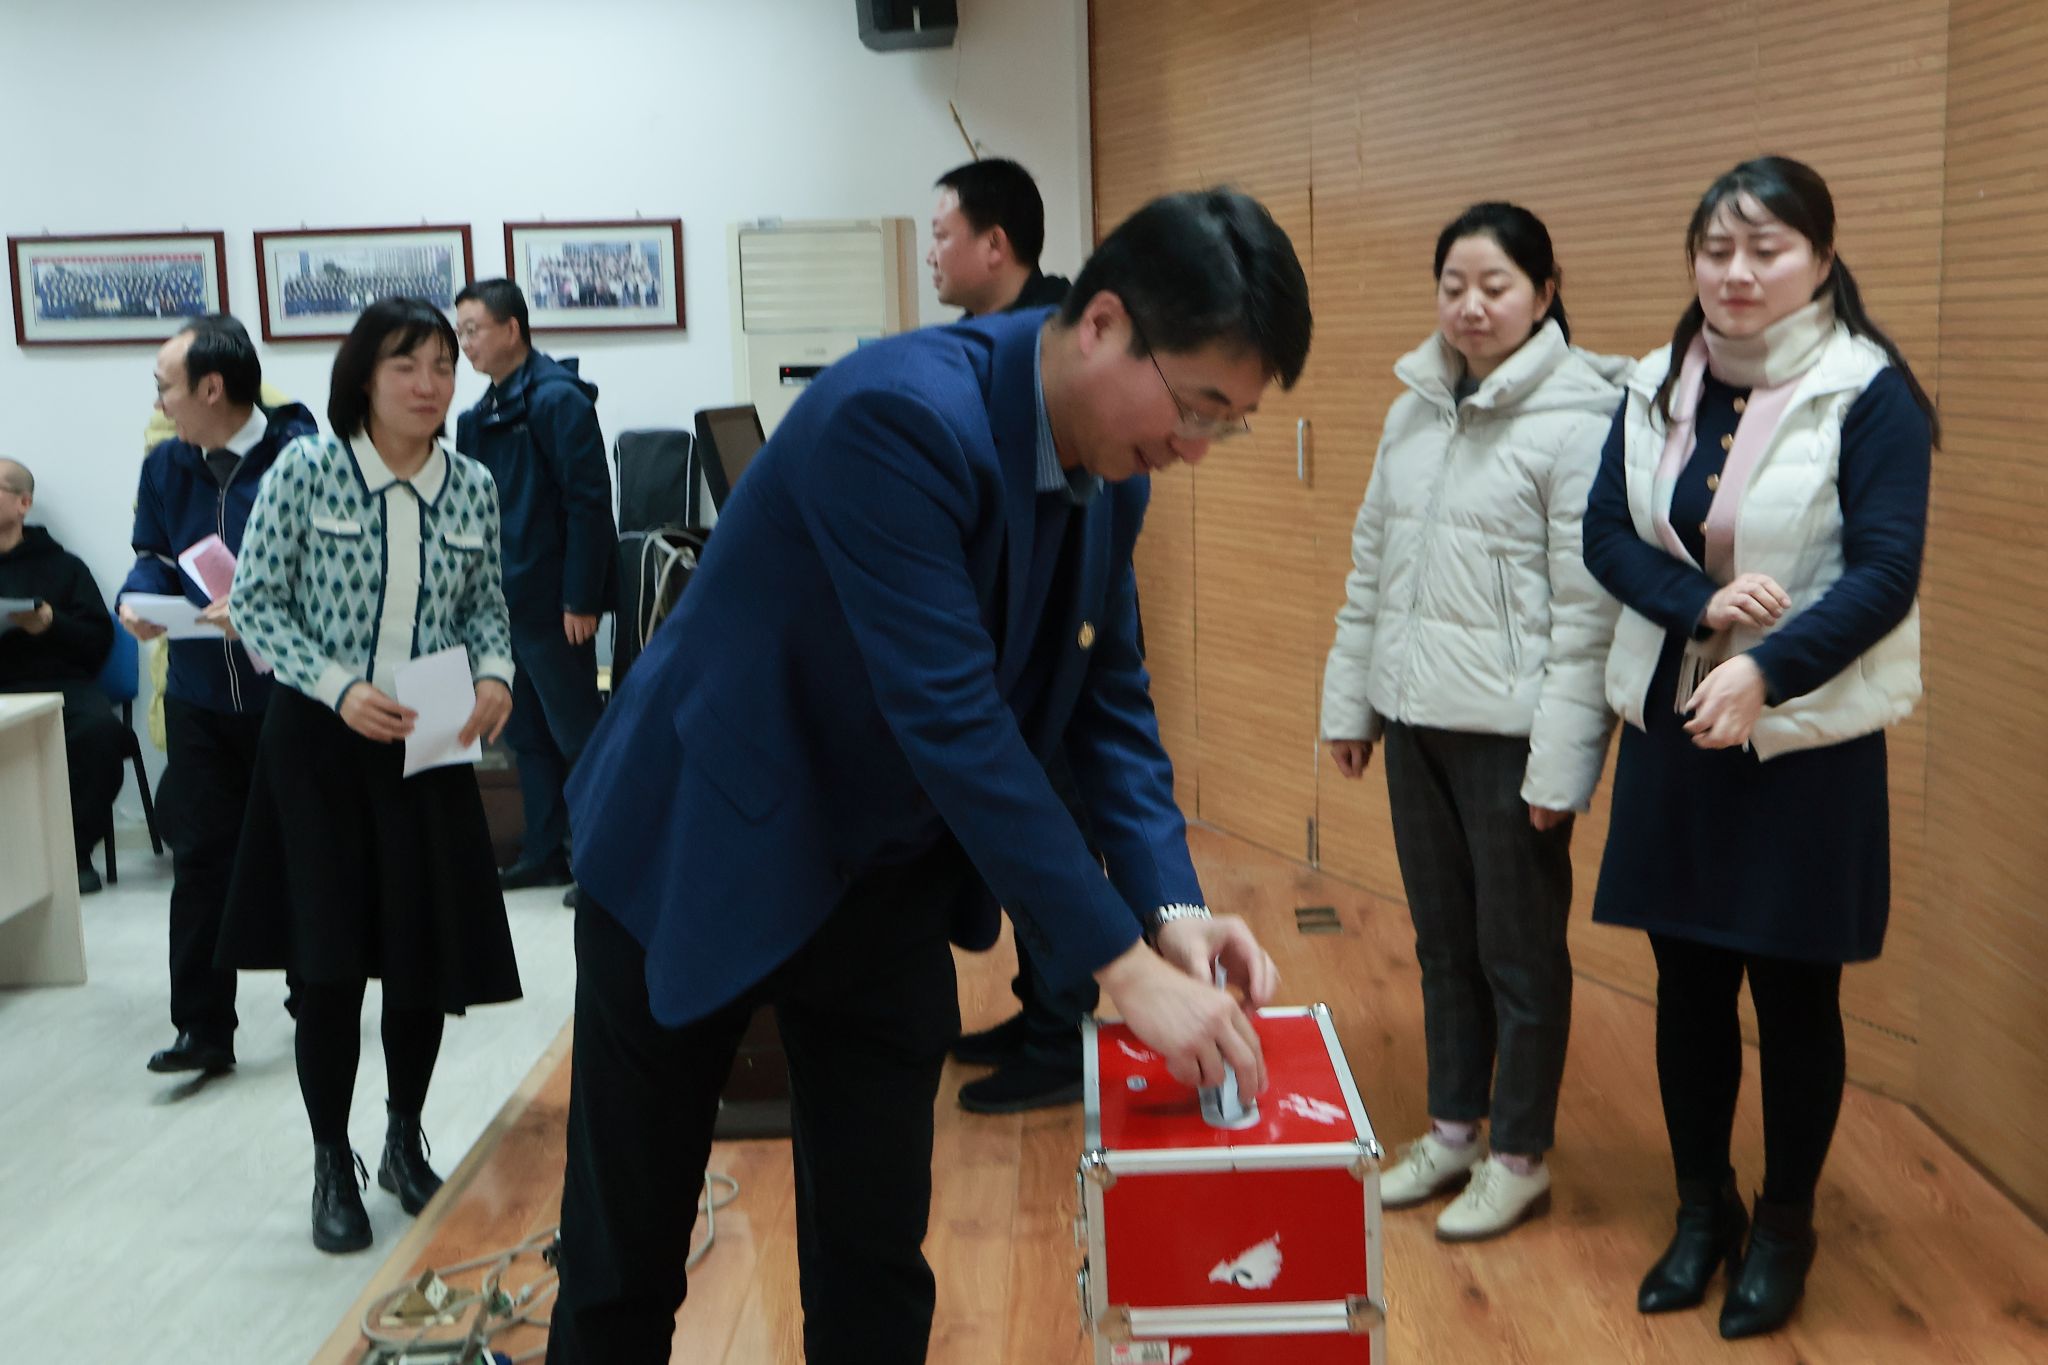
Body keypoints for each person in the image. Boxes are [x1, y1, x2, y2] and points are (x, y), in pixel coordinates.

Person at [548, 189, 1307, 1365]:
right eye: (1197, 404)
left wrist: (1170, 911)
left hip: (881, 878)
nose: (1196, 446)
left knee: (874, 1263)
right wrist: (1117, 968)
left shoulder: (1114, 470)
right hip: (702, 843)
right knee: (624, 1265)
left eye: (1231, 422)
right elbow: (952, 718)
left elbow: (1106, 702)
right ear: (1103, 323)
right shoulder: (898, 417)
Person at [1581, 155, 1935, 1339]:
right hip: (1677, 727)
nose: (1735, 273)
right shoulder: (1652, 380)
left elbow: (1884, 572)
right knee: (1684, 986)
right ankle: (1702, 1212)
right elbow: (1605, 537)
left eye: (1765, 249)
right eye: (1715, 249)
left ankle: (1782, 1227)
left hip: (1801, 745)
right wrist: (1696, 610)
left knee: (1791, 995)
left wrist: (1764, 668)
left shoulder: (1866, 391)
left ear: (1819, 260)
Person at [1320, 203, 1623, 1242]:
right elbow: (1372, 570)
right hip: (1415, 722)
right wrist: (1353, 704)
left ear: (1544, 293)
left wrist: (1562, 765)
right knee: (1442, 941)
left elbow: (1587, 612)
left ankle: (1519, 1155)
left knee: (1519, 954)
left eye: (1495, 285)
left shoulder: (1581, 420)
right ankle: (1452, 1128)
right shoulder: (1413, 409)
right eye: (1453, 285)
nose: (1470, 305)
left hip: (1512, 737)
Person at [218, 297, 523, 1256]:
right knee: (331, 966)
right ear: (363, 377)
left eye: (443, 366)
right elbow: (255, 605)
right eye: (407, 366)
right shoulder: (306, 471)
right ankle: (330, 1161)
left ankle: (402, 1138)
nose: (430, 385)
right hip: (320, 746)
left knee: (421, 958)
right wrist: (337, 686)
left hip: (427, 737)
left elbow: (488, 606)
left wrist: (495, 674)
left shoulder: (470, 485)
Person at [925, 156, 1097, 1115]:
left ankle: (1065, 1035)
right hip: (1008, 640)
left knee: (1053, 828)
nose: (931, 253)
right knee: (1028, 828)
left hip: (1050, 641)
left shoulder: (1050, 347)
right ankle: (1042, 1011)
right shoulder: (980, 347)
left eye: (941, 233)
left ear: (996, 245)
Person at [119, 314, 318, 1078]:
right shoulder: (166, 465)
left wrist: (263, 603)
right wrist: (136, 597)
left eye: (165, 386)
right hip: (199, 694)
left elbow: (337, 570)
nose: (159, 402)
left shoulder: (302, 459)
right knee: (200, 858)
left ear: (211, 387)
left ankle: (316, 999)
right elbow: (152, 554)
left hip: (288, 695)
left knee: (300, 853)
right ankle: (202, 1027)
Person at [454, 279, 615, 903]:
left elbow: (588, 503)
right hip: (501, 605)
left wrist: (582, 598)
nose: (465, 343)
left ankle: (602, 863)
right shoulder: (480, 414)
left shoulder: (557, 400)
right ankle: (545, 853)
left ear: (512, 330)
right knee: (526, 735)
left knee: (580, 736)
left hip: (553, 604)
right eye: (460, 332)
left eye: (473, 330)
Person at [0, 458, 122, 894]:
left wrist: (52, 623)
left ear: (23, 503)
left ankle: (71, 853)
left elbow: (98, 640)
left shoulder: (65, 567)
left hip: (61, 683)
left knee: (101, 732)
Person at [927, 156, 1071, 318]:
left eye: (940, 236)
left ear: (993, 244)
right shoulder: (969, 330)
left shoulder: (1069, 328)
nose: (930, 258)